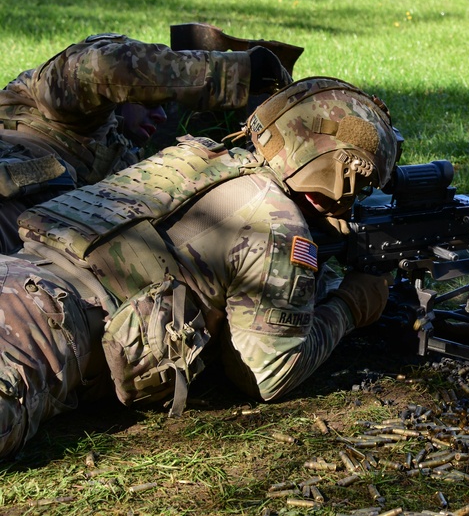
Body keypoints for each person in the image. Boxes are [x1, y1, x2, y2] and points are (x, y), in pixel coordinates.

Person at [0, 76, 400, 459]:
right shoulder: (274, 220)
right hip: (43, 329)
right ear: (338, 172)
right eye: (359, 185)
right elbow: (269, 375)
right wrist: (351, 305)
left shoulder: (195, 156)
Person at [0, 32, 292, 252]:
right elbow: (102, 66)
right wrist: (233, 70)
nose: (162, 116)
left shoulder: (118, 152)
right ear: (118, 95)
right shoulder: (50, 98)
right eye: (151, 101)